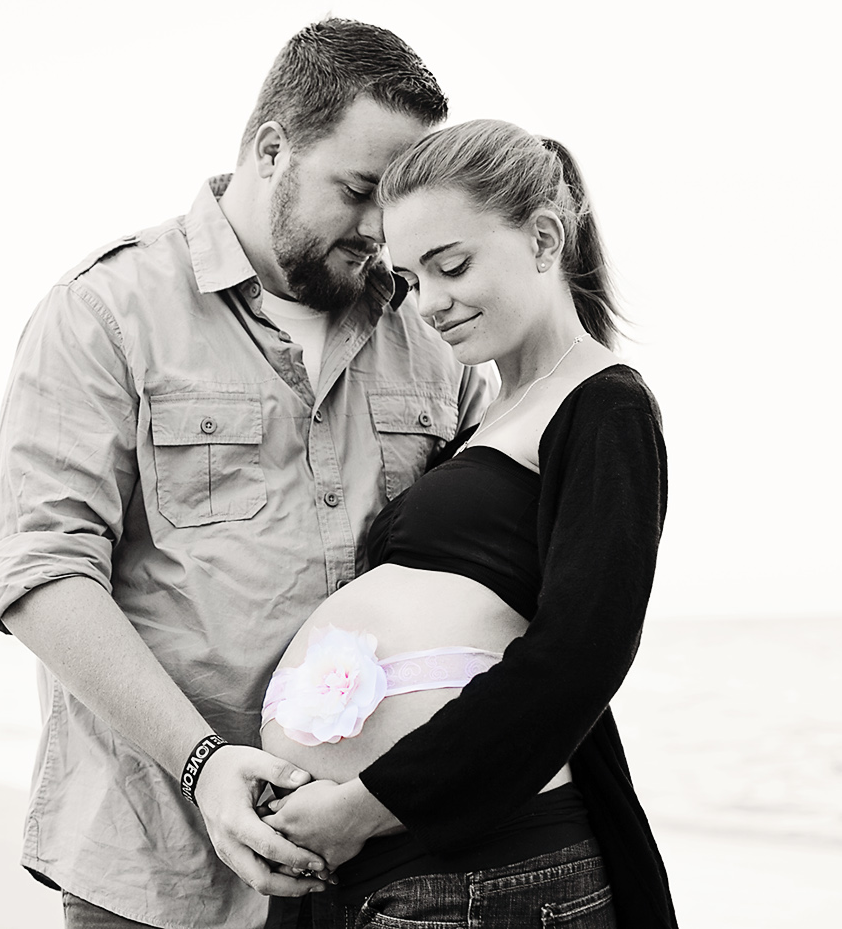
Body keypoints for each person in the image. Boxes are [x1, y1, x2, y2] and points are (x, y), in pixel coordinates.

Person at [0, 19, 495, 929]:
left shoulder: (435, 340)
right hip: (155, 867)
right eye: (360, 190)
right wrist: (204, 765)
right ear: (272, 150)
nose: (384, 230)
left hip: (381, 871)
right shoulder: (104, 311)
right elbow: (42, 574)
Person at [257, 120, 677, 928]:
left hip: (484, 872)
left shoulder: (605, 406)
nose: (432, 303)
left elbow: (580, 656)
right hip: (397, 872)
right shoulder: (485, 420)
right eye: (412, 279)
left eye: (452, 266)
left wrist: (369, 803)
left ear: (546, 238)